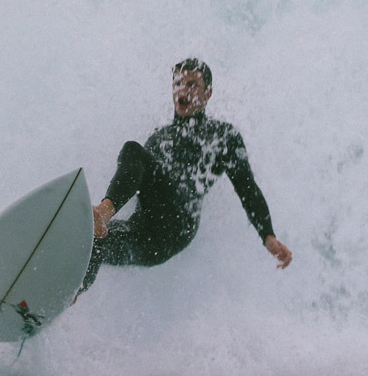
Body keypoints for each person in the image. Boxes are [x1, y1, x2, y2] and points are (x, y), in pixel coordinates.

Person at [81, 58, 293, 294]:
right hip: (143, 237)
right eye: (178, 83)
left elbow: (248, 189)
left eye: (192, 84)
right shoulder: (158, 139)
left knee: (132, 150)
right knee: (89, 238)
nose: (183, 89)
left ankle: (103, 211)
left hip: (177, 226)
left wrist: (268, 235)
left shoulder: (223, 137)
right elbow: (136, 184)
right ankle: (69, 295)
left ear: (208, 93)